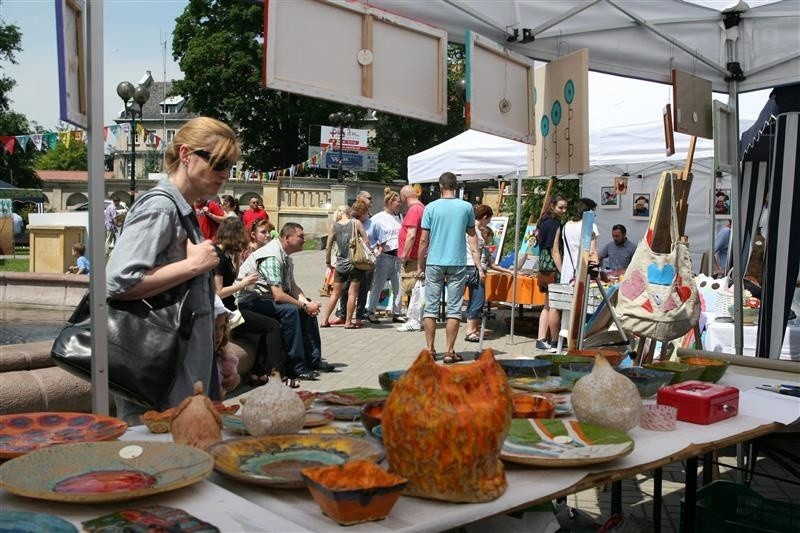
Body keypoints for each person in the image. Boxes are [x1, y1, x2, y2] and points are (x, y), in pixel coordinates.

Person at [106, 116, 239, 425]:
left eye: (229, 165)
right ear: (185, 155)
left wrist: (219, 354)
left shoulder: (182, 209)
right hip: (161, 378)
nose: (225, 174)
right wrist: (193, 264)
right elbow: (117, 282)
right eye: (218, 162)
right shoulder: (161, 207)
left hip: (179, 372)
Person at [236, 222, 332, 381]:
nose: (304, 239)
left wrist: (307, 304)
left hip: (266, 299)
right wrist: (301, 305)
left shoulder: (285, 256)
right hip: (249, 303)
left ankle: (313, 360)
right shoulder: (272, 256)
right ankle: (296, 368)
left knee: (305, 307)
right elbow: (279, 295)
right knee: (290, 311)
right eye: (301, 236)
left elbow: (293, 288)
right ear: (287, 237)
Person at [214, 217, 288, 387]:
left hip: (233, 308)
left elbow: (233, 277)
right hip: (227, 313)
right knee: (272, 326)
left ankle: (257, 373)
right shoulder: (217, 257)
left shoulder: (228, 255)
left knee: (265, 322)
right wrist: (243, 284)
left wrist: (239, 259)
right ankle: (276, 374)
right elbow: (218, 292)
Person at [417, 172, 482, 364]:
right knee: (454, 309)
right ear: (456, 186)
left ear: (440, 186)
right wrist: (478, 261)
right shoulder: (466, 207)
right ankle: (450, 351)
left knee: (431, 307)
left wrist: (420, 264)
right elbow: (472, 235)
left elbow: (423, 240)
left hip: (435, 261)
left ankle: (430, 350)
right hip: (458, 262)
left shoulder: (430, 207)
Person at [463, 206, 513, 342]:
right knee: (477, 299)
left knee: (476, 300)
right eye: (489, 219)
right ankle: (470, 331)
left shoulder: (471, 229)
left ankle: (473, 329)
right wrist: (480, 269)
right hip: (473, 268)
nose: (489, 222)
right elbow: (475, 253)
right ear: (485, 217)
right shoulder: (474, 231)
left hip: (470, 267)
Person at [320, 199, 371, 329]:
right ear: (349, 212)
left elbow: (328, 247)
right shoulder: (356, 223)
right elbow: (366, 241)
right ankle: (348, 322)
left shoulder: (334, 226)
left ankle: (324, 320)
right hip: (355, 264)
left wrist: (328, 262)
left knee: (335, 294)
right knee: (352, 293)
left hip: (340, 264)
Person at [335, 191, 379, 325]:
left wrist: (374, 252)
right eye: (354, 215)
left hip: (364, 261)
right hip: (348, 261)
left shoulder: (372, 224)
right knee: (345, 289)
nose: (357, 217)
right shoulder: (350, 222)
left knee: (363, 290)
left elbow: (378, 241)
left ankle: (359, 317)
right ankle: (343, 315)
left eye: (359, 215)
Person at [535, 195, 568, 353]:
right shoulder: (555, 224)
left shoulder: (542, 221)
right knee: (553, 305)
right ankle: (551, 340)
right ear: (553, 206)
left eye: (565, 207)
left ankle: (542, 338)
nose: (563, 211)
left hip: (543, 266)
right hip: (552, 267)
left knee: (547, 305)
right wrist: (563, 270)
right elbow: (555, 250)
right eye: (561, 207)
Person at [366, 188, 404, 324]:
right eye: (397, 202)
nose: (400, 204)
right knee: (378, 284)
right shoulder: (377, 218)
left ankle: (397, 312)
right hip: (384, 256)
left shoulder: (399, 217)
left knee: (398, 286)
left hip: (398, 256)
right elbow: (369, 235)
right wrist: (374, 249)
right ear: (390, 202)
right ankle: (371, 311)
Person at [397, 184, 424, 332]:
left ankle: (414, 320)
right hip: (416, 256)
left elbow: (411, 235)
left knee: (412, 289)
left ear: (404, 197)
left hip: (412, 258)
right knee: (415, 289)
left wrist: (404, 255)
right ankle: (414, 319)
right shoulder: (421, 207)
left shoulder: (414, 210)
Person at [559, 198, 599, 285]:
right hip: (582, 275)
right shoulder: (590, 226)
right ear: (589, 211)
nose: (594, 215)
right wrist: (596, 275)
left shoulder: (567, 226)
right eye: (594, 211)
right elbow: (592, 252)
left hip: (567, 274)